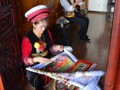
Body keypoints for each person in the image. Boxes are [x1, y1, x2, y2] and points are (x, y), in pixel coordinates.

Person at [21, 5, 64, 90]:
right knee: (33, 76)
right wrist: (36, 59)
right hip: (34, 63)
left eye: (45, 26)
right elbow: (25, 59)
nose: (44, 29)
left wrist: (56, 47)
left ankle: (61, 82)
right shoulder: (27, 38)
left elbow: (50, 46)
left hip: (47, 58)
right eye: (41, 26)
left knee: (61, 56)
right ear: (34, 24)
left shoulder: (47, 32)